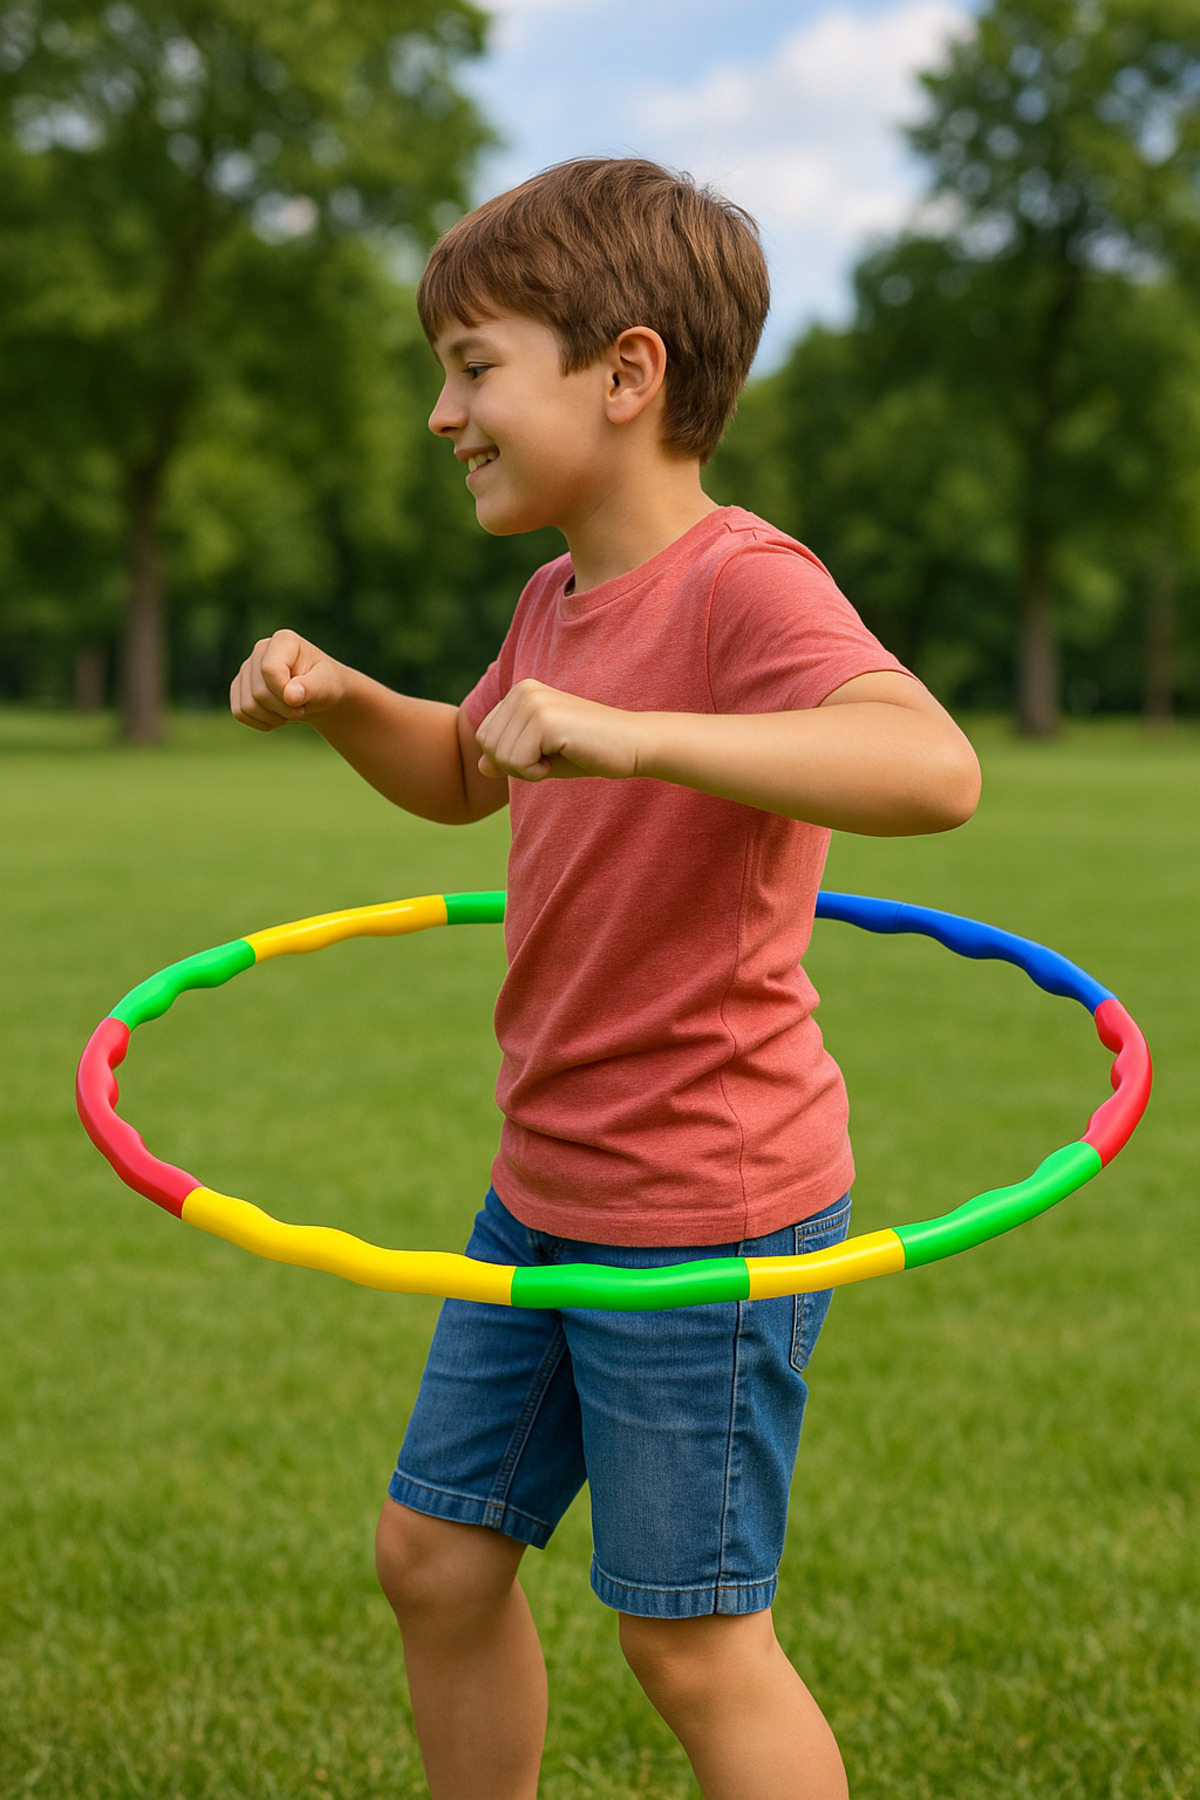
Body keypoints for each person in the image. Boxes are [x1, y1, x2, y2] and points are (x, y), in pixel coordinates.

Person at [230, 157, 980, 1800]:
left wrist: (637, 736)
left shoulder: (744, 584)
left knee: (692, 1642)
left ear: (627, 373)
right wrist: (346, 694)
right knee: (435, 1557)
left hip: (704, 1203)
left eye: (473, 367)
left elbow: (933, 769)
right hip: (551, 1183)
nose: (443, 413)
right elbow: (467, 770)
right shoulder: (554, 600)